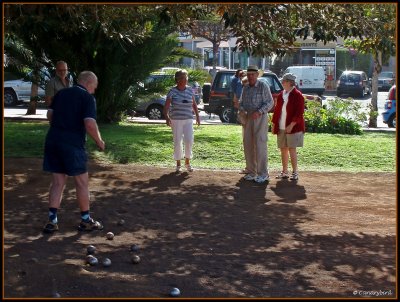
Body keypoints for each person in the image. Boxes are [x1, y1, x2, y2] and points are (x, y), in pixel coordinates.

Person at [42, 71, 105, 233]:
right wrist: (99, 141)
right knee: (82, 182)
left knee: (57, 182)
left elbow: (50, 114)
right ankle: (85, 220)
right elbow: (89, 123)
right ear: (89, 83)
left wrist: (61, 126)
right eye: (95, 87)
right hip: (72, 144)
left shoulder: (62, 93)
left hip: (53, 141)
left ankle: (52, 221)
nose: (94, 91)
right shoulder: (87, 98)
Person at [238, 65, 274, 183]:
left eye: (253, 74)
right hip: (248, 117)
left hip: (260, 118)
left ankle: (263, 173)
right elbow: (241, 102)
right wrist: (242, 109)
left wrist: (259, 112)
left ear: (257, 75)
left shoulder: (263, 86)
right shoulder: (246, 88)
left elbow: (270, 102)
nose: (251, 76)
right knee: (248, 144)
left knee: (260, 144)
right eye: (249, 74)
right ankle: (252, 172)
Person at [164, 69, 201, 172]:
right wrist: (167, 117)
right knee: (177, 141)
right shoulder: (172, 91)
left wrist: (197, 116)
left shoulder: (190, 90)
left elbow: (193, 104)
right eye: (185, 78)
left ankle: (187, 162)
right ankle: (178, 164)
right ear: (179, 80)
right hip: (176, 120)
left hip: (188, 119)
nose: (186, 79)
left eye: (186, 77)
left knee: (189, 140)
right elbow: (166, 106)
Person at [271, 73, 305, 181]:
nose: (282, 83)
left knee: (292, 149)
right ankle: (284, 171)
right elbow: (277, 111)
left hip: (293, 127)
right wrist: (274, 124)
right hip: (281, 126)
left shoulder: (298, 95)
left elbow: (299, 113)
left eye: (284, 81)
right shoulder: (281, 94)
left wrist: (291, 125)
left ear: (290, 82)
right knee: (283, 149)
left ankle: (295, 172)